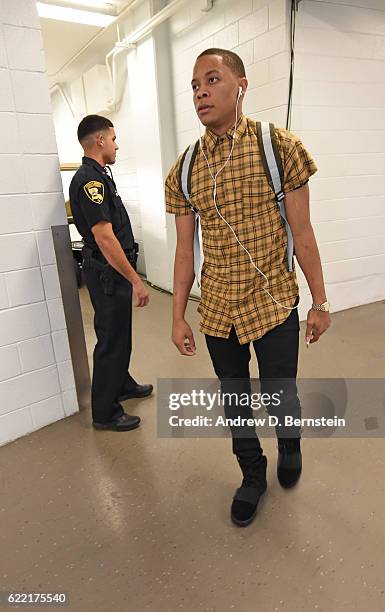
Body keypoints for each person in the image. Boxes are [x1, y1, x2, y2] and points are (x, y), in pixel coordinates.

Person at [165, 49, 331, 526]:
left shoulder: (279, 148)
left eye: (212, 79)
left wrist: (319, 300)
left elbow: (303, 232)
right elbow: (183, 251)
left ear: (240, 85)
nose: (200, 91)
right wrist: (177, 316)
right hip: (218, 309)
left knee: (281, 391)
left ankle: (289, 442)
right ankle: (252, 475)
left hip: (274, 300)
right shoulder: (185, 169)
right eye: (194, 84)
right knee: (234, 399)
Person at [69, 115, 153, 432]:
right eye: (114, 139)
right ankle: (105, 412)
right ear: (101, 140)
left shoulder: (101, 176)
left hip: (111, 270)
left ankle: (122, 383)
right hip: (108, 273)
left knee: (120, 333)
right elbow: (105, 238)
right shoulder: (89, 181)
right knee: (111, 340)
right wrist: (135, 279)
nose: (117, 145)